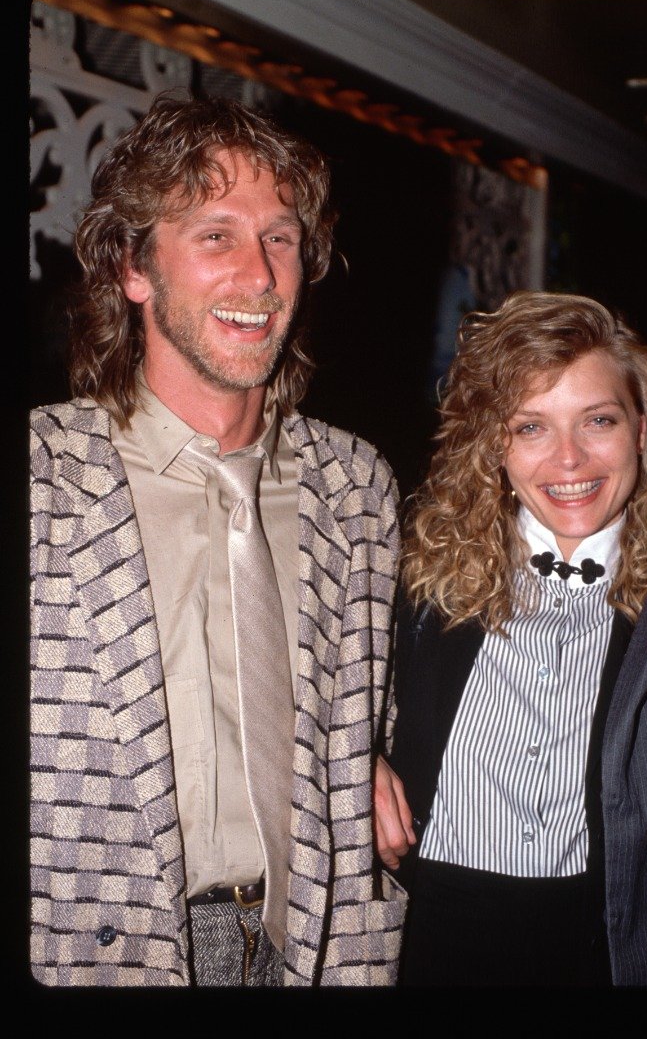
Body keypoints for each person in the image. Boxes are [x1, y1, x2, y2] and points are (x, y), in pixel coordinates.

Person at [29, 92, 407, 988]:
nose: (259, 272)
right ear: (132, 267)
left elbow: (370, 700)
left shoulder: (359, 487)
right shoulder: (40, 476)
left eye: (281, 237)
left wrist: (383, 750)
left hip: (311, 947)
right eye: (214, 235)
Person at [374, 291, 647, 986]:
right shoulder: (411, 575)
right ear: (493, 441)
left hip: (593, 951)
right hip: (419, 937)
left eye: (598, 421)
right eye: (530, 428)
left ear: (640, 428)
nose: (569, 460)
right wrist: (354, 763)